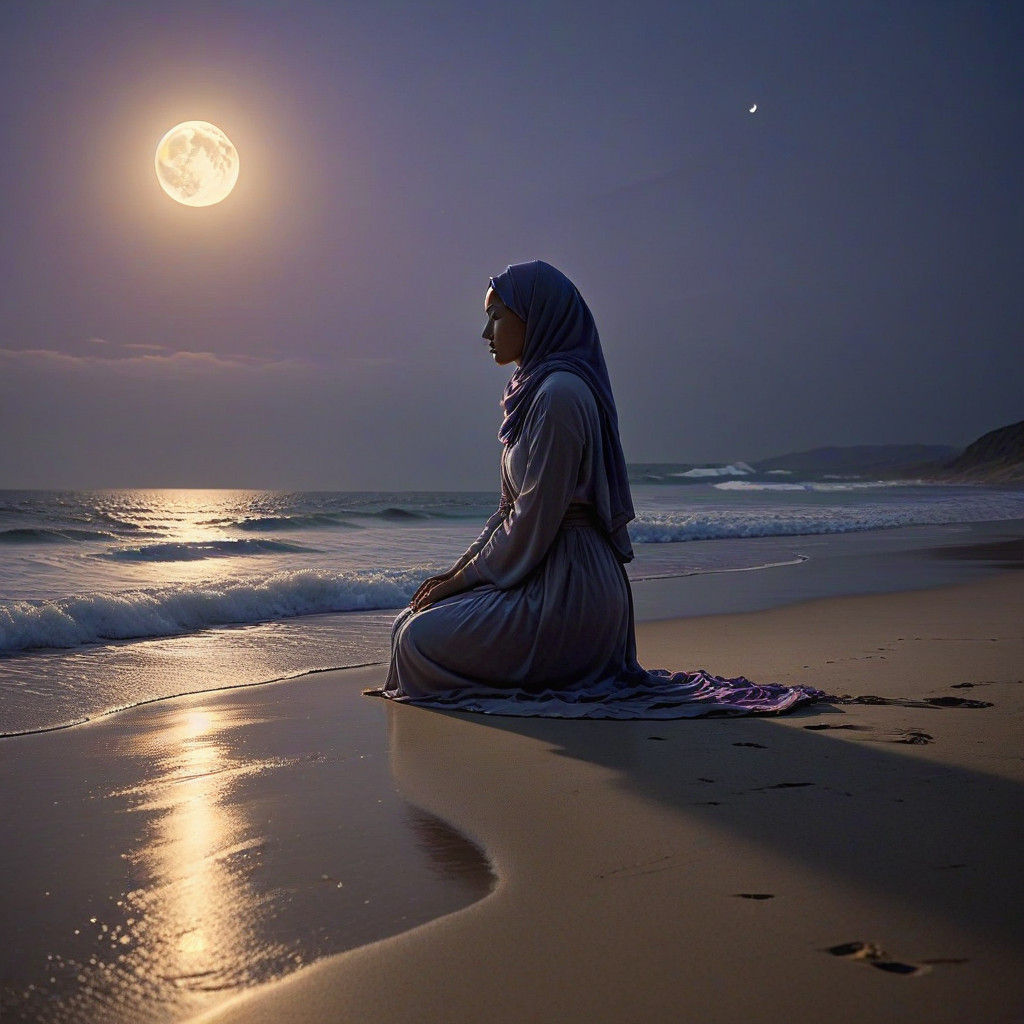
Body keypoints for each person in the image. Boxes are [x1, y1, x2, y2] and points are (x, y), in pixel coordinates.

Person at [371, 260, 827, 718]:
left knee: (416, 641)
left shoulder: (560, 397)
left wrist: (463, 582)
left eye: (496, 316)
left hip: (570, 590)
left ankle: (555, 663)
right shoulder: (530, 393)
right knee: (406, 625)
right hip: (535, 574)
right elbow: (506, 513)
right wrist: (453, 576)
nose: (486, 333)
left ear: (537, 316)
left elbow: (532, 523)